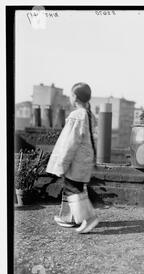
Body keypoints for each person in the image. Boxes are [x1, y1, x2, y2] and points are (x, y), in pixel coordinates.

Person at [46, 82, 99, 234]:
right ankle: (78, 218)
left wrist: (62, 163)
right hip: (85, 162)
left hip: (75, 162)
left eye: (70, 94)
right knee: (77, 190)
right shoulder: (89, 115)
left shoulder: (76, 116)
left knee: (72, 190)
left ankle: (88, 218)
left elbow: (69, 144)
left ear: (74, 97)